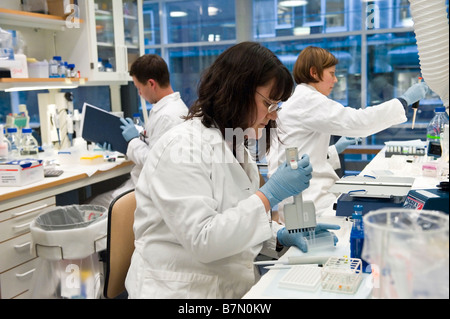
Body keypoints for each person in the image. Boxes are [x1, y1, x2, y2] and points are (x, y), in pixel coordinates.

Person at [125, 42, 339, 299]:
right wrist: (268, 195)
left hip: (226, 285)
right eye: (270, 103)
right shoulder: (180, 147)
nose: (273, 116)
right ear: (237, 90)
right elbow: (204, 240)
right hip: (178, 290)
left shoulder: (234, 144)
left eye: (277, 106)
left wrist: (279, 237)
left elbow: (233, 218)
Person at [267, 46, 429, 217]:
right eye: (331, 73)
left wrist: (334, 150)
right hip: (310, 202)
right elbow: (360, 121)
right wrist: (403, 101)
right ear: (314, 73)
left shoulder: (299, 99)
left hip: (305, 197)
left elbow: (301, 152)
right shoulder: (308, 100)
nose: (335, 80)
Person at [86, 54, 188, 208]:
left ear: (151, 84)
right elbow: (153, 147)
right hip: (141, 184)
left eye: (139, 88)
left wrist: (133, 141)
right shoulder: (167, 109)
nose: (139, 93)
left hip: (148, 192)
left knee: (94, 205)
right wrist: (122, 143)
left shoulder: (168, 116)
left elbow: (154, 163)